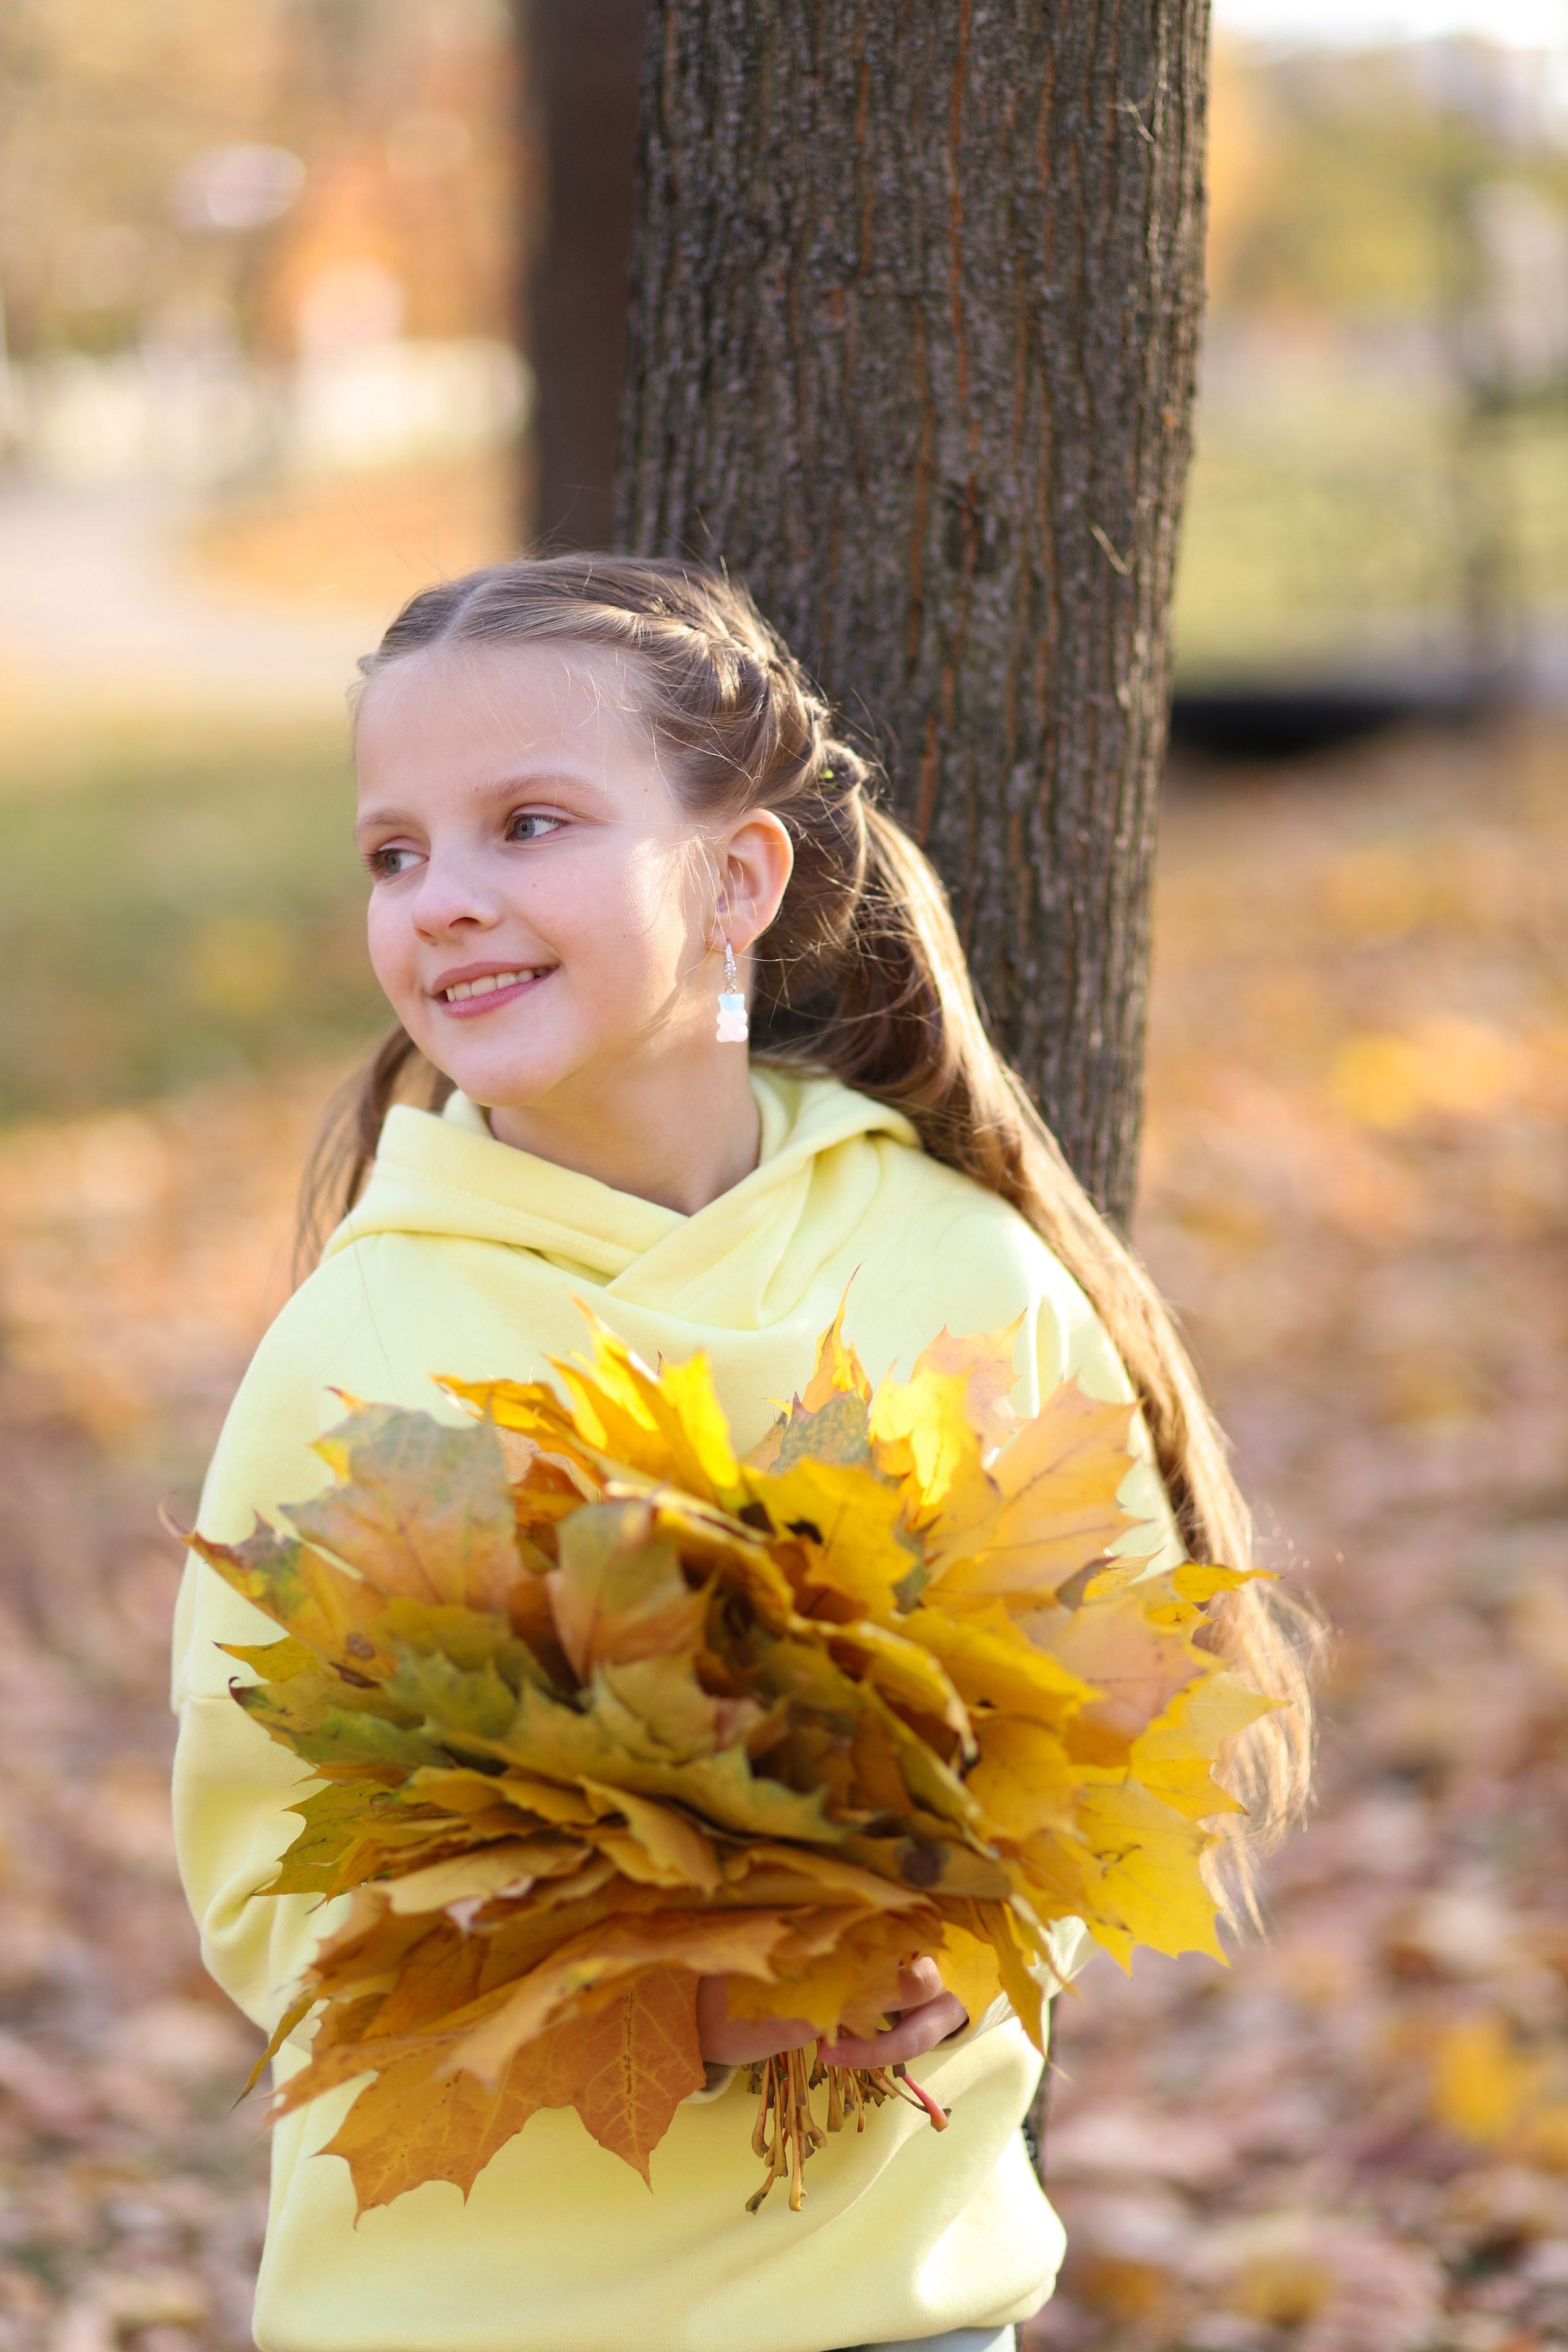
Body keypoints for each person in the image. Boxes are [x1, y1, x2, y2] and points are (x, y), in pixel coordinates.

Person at [170, 554, 1313, 2352]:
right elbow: (270, 1886)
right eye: (395, 854)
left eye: (528, 825)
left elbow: (1119, 1706)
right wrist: (675, 2015)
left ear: (737, 878)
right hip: (486, 2313)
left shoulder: (953, 1267)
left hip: (902, 2308)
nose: (444, 902)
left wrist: (964, 1940)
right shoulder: (369, 1353)